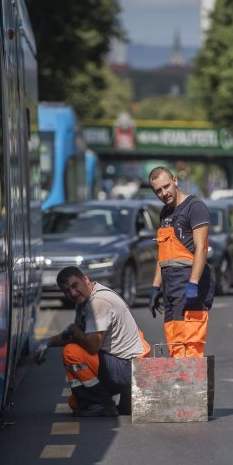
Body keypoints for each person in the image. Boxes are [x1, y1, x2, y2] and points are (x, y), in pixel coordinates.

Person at [34, 266, 150, 416]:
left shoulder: (98, 303)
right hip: (124, 363)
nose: (73, 293)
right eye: (67, 291)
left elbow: (92, 346)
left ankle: (103, 404)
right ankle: (113, 400)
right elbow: (76, 336)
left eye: (74, 286)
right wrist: (47, 343)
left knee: (71, 352)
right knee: (75, 403)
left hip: (127, 367)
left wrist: (74, 329)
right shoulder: (86, 300)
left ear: (85, 279)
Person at [147, 166, 215, 358]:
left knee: (191, 342)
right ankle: (180, 385)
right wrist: (155, 287)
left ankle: (193, 386)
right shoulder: (165, 213)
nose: (164, 193)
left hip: (189, 284)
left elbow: (201, 248)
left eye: (166, 186)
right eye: (158, 190)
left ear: (175, 181)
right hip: (171, 288)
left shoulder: (195, 207)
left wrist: (193, 283)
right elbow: (164, 254)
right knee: (175, 341)